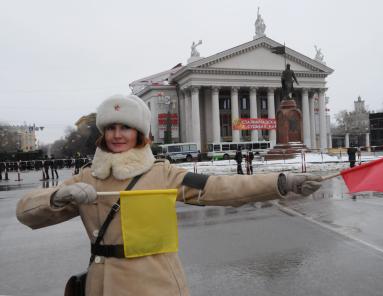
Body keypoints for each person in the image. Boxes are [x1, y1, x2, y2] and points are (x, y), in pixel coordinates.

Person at [16, 94, 322, 296]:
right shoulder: (87, 177)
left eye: (126, 127)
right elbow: (27, 212)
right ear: (102, 133)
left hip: (155, 284)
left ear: (141, 133)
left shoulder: (162, 173)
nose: (118, 134)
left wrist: (282, 182)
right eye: (111, 128)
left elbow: (218, 188)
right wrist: (59, 197)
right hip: (101, 286)